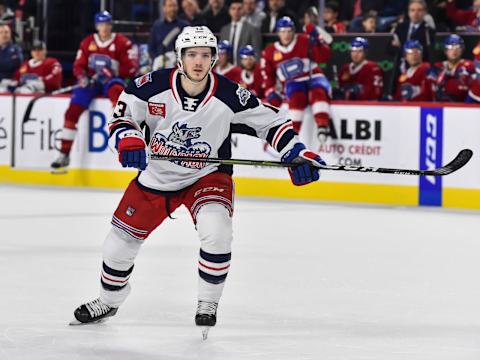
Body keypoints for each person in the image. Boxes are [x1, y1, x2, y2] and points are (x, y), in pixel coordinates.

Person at [70, 26, 325, 339]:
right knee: (117, 246)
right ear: (180, 57)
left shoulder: (230, 94)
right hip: (156, 178)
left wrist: (296, 152)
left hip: (207, 176)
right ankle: (109, 302)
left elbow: (272, 123)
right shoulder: (150, 87)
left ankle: (207, 303)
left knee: (216, 231)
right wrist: (129, 139)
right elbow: (122, 119)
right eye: (192, 54)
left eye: (206, 54)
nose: (198, 61)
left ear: (214, 57)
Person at [50, 11, 139, 172]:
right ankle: (64, 154)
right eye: (101, 24)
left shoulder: (122, 43)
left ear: (111, 25)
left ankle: (122, 139)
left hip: (112, 81)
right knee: (72, 111)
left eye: (107, 24)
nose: (104, 28)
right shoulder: (87, 43)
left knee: (118, 94)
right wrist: (82, 77)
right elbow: (79, 65)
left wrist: (114, 72)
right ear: (97, 26)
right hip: (93, 82)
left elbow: (131, 67)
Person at [261, 16, 332, 141]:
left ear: (293, 31)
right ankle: (292, 134)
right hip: (293, 83)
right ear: (278, 33)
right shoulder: (270, 51)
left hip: (314, 77)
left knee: (318, 92)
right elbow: (267, 75)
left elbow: (324, 57)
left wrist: (318, 42)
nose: (286, 35)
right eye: (283, 32)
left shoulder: (304, 40)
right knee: (296, 98)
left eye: (289, 31)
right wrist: (270, 91)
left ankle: (322, 125)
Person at [433, 34, 474, 102]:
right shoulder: (438, 67)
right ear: (445, 50)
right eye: (450, 47)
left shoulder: (469, 66)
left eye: (457, 47)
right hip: (441, 105)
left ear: (462, 49)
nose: (454, 51)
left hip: (463, 106)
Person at [219, 0, 262, 65]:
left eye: (239, 9)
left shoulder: (253, 29)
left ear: (244, 10)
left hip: (244, 69)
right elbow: (221, 52)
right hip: (227, 69)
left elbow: (257, 53)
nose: (236, 12)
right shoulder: (224, 30)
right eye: (233, 9)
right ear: (229, 11)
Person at [149, 0, 188, 70]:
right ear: (164, 8)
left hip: (179, 66)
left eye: (174, 6)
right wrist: (157, 60)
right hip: (160, 65)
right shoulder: (157, 26)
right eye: (170, 6)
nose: (173, 9)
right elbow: (151, 48)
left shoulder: (185, 26)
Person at [0, 24, 22, 89]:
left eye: (6, 32)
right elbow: (8, 64)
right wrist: (8, 61)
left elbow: (18, 63)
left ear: (10, 34)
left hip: (9, 83)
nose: (4, 35)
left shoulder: (16, 49)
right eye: (1, 32)